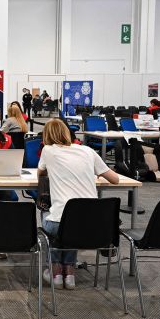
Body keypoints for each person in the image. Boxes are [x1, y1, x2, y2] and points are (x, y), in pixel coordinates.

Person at [37, 118, 119, 290]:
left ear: (46, 136)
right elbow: (115, 179)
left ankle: (56, 272)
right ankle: (69, 273)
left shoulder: (48, 150)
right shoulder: (88, 151)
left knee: (51, 216)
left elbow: (40, 173)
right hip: (91, 224)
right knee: (72, 222)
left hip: (62, 223)